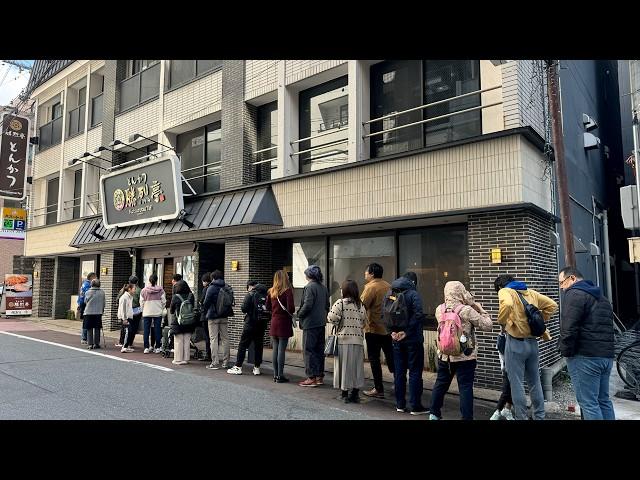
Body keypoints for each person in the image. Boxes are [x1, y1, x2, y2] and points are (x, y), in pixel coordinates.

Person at [495, 274, 558, 420]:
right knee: (535, 381)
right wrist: (538, 320)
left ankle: (521, 417)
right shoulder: (530, 292)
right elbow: (552, 305)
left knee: (516, 383)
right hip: (532, 343)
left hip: (515, 343)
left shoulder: (505, 291)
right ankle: (539, 416)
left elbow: (508, 304)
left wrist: (502, 321)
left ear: (500, 286)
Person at [558, 266, 615, 420]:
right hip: (606, 356)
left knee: (588, 403)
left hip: (585, 357)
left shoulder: (574, 294)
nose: (562, 288)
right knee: (603, 400)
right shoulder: (601, 297)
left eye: (562, 283)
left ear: (572, 279)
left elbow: (568, 328)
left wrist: (565, 352)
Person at [429, 281, 492, 420]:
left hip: (445, 355)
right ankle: (467, 418)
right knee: (465, 387)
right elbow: (488, 326)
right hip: (465, 356)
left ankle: (434, 414)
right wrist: (480, 309)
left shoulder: (439, 309)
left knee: (441, 384)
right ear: (461, 292)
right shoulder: (466, 310)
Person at [388, 272, 429, 415]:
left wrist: (392, 331)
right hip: (413, 339)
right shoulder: (413, 294)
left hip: (396, 339)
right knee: (415, 372)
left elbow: (385, 314)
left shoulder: (391, 292)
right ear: (413, 282)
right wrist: (407, 332)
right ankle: (415, 406)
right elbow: (418, 314)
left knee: (399, 372)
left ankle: (400, 404)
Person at [328, 279, 367, 403]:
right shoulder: (361, 305)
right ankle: (355, 393)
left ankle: (344, 394)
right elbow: (364, 322)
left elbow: (331, 318)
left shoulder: (340, 303)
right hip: (358, 341)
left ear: (344, 290)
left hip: (343, 340)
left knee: (344, 367)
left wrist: (338, 321)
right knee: (356, 368)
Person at [360, 262, 393, 399]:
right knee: (391, 357)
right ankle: (399, 383)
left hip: (373, 328)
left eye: (366, 272)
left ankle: (378, 388)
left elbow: (362, 306)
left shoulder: (370, 288)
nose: (365, 274)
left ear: (372, 273)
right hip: (388, 328)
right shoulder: (389, 286)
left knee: (374, 359)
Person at [297, 265, 330, 387]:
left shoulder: (309, 287)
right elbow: (327, 305)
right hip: (321, 323)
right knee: (319, 351)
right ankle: (320, 376)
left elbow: (307, 305)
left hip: (310, 323)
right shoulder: (323, 288)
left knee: (309, 351)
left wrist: (299, 314)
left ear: (309, 275)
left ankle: (311, 377)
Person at [227, 280, 269, 375]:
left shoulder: (250, 295)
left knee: (243, 345)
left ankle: (238, 367)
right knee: (258, 346)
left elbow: (243, 309)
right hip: (261, 324)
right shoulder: (267, 295)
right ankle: (257, 368)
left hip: (250, 324)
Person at [266, 270, 295, 383]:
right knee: (281, 350)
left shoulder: (271, 291)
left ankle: (275, 375)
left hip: (274, 322)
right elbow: (291, 308)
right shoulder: (287, 291)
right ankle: (280, 375)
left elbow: (267, 307)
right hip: (284, 323)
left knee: (275, 349)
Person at [202, 270, 233, 369]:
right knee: (225, 338)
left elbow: (206, 302)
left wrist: (205, 311)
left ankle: (215, 362)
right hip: (224, 315)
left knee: (214, 339)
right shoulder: (226, 286)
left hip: (213, 317)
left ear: (213, 278)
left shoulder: (211, 288)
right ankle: (226, 362)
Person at [490, 329, 515, 420]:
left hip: (516, 366)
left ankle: (507, 410)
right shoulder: (503, 337)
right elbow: (502, 353)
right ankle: (497, 411)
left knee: (513, 389)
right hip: (507, 367)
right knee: (506, 391)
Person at [170, 280, 196, 365]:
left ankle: (178, 359)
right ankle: (186, 359)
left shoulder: (175, 297)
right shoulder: (191, 295)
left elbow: (171, 310)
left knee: (178, 341)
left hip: (179, 322)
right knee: (186, 340)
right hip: (189, 321)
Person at [140, 273, 166, 354]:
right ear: (157, 280)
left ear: (149, 280)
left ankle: (146, 347)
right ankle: (157, 347)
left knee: (146, 330)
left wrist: (143, 309)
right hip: (157, 312)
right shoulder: (161, 290)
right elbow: (164, 302)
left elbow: (141, 302)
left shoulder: (144, 290)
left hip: (147, 312)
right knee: (157, 330)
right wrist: (160, 307)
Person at [116, 276, 142, 348]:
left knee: (125, 327)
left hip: (127, 311)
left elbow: (118, 299)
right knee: (133, 328)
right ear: (137, 282)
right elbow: (141, 301)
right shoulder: (139, 290)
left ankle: (122, 342)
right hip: (136, 311)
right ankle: (130, 343)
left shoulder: (124, 289)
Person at [83, 278, 105, 350]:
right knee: (97, 328)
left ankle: (90, 344)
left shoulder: (87, 292)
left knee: (89, 328)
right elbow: (103, 303)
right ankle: (97, 343)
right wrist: (102, 310)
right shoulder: (102, 292)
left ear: (91, 284)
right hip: (98, 312)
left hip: (88, 312)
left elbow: (85, 301)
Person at [78, 272, 96, 345]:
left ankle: (85, 338)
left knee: (86, 321)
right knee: (86, 321)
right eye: (95, 277)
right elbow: (88, 297)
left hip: (82, 304)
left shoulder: (84, 283)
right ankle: (84, 338)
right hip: (85, 305)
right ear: (91, 277)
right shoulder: (88, 285)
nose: (96, 279)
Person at [117, 283, 136, 353]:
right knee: (128, 332)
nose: (135, 291)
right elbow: (123, 309)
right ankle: (124, 347)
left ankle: (126, 346)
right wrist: (124, 318)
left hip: (129, 316)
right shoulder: (125, 297)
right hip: (126, 317)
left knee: (130, 332)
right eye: (134, 289)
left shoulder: (129, 297)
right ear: (129, 289)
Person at [199, 272, 213, 361]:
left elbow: (202, 301)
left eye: (203, 281)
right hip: (214, 315)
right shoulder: (214, 288)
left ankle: (208, 354)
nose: (202, 283)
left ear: (206, 281)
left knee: (207, 336)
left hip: (205, 315)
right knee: (213, 336)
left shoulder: (206, 289)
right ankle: (212, 354)